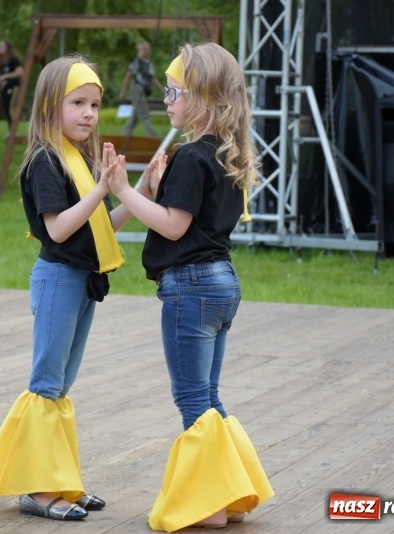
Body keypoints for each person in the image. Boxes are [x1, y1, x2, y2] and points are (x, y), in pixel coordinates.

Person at [0, 55, 156, 522]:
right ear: (52, 105)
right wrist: (100, 189)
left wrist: (139, 194)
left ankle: (61, 481)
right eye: (79, 103)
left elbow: (99, 229)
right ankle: (37, 489)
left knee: (61, 387)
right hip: (57, 281)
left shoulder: (79, 159)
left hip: (83, 281)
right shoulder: (45, 162)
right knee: (46, 385)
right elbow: (58, 231)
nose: (90, 113)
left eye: (95, 103)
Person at [105, 42, 274, 532]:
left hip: (191, 287)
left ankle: (210, 506)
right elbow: (191, 219)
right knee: (210, 396)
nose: (167, 100)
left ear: (205, 97)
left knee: (192, 400)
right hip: (222, 283)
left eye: (175, 91)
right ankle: (233, 493)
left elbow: (175, 227)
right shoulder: (224, 155)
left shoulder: (191, 158)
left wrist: (122, 191)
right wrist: (153, 191)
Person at [117, 40, 165, 137]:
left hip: (142, 91)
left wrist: (163, 91)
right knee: (144, 115)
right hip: (137, 90)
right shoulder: (137, 63)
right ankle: (153, 137)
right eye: (145, 49)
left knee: (135, 117)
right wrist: (123, 92)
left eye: (148, 49)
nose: (147, 51)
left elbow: (153, 79)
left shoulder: (148, 64)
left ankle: (124, 135)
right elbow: (128, 77)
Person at [0, 39, 23, 129]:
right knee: (5, 107)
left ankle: (14, 129)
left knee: (10, 107)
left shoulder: (13, 60)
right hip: (5, 87)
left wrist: (5, 76)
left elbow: (20, 72)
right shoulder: (2, 62)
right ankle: (11, 129)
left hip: (13, 86)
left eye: (2, 46)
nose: (0, 48)